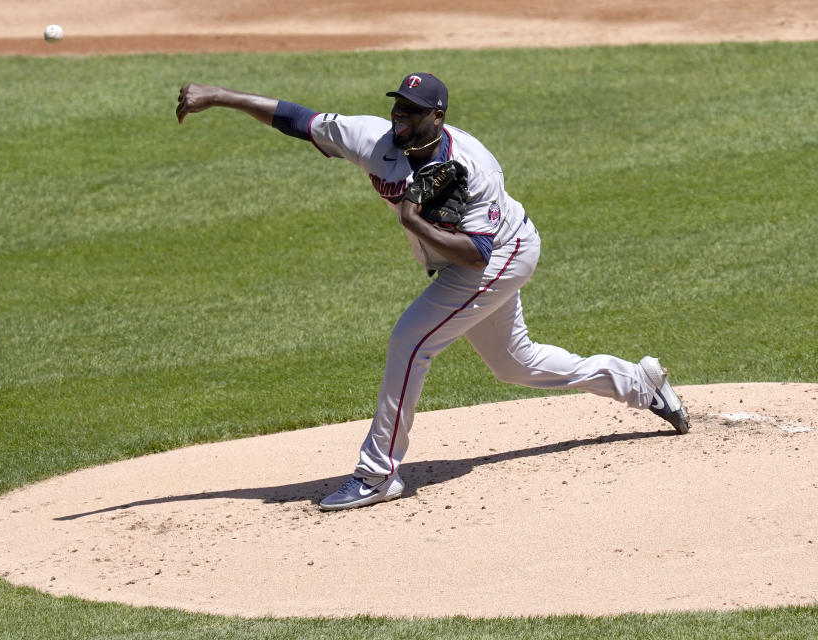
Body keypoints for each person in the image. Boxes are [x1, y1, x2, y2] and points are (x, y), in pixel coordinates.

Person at [176, 72, 690, 512]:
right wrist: (220, 96)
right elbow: (297, 118)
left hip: (502, 253)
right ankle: (640, 382)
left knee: (411, 339)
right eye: (398, 105)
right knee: (516, 365)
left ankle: (378, 474)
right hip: (467, 259)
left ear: (437, 117)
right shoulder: (372, 139)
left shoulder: (474, 166)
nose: (401, 116)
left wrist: (414, 224)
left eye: (414, 111)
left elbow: (476, 255)